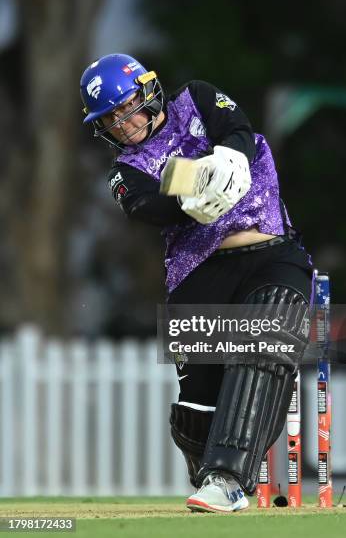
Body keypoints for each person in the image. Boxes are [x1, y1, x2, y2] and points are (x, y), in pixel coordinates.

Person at [80, 53, 314, 513]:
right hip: (195, 272)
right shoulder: (123, 171)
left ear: (147, 92)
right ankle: (209, 471)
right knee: (196, 413)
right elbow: (145, 206)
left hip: (271, 253)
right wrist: (189, 199)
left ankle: (226, 479)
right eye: (110, 120)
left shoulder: (196, 98)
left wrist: (230, 158)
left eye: (126, 109)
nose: (123, 126)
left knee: (265, 343)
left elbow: (238, 130)